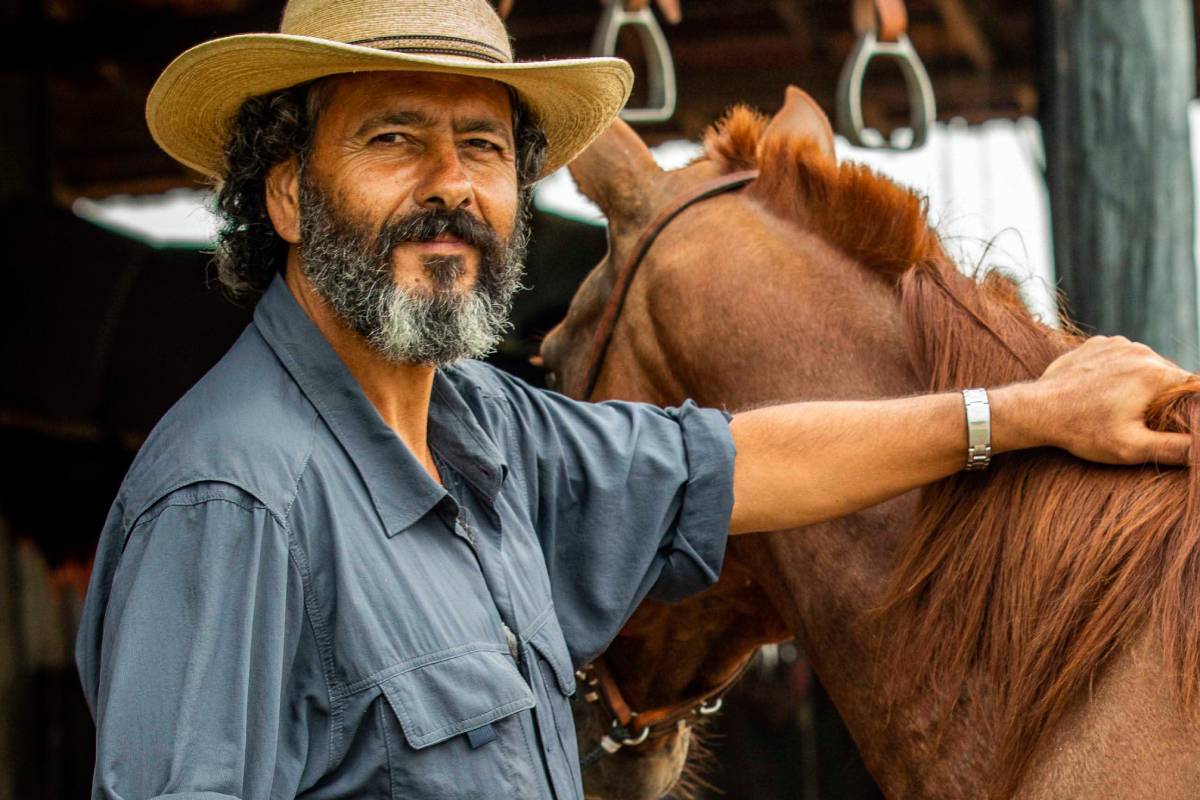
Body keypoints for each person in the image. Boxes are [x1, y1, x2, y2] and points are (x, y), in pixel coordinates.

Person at [75, 0, 1194, 798]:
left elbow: (738, 464)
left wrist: (1026, 413)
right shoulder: (230, 500)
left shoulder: (486, 430)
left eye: (481, 147)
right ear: (285, 192)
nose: (452, 186)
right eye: (392, 140)